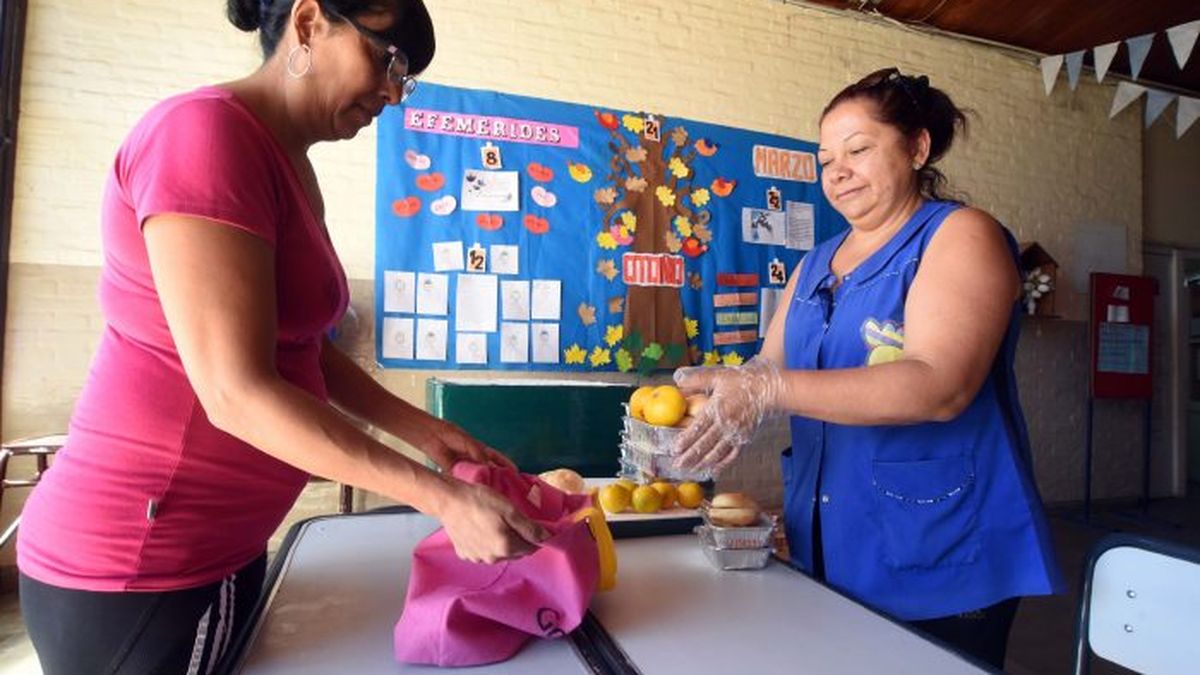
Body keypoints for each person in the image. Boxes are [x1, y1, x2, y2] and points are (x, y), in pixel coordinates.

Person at [16, 1, 548, 672]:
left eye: (403, 78)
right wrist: (438, 495)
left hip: (221, 545)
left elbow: (300, 345)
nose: (390, 92)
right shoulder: (202, 135)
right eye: (387, 60)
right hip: (139, 563)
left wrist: (422, 429)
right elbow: (234, 391)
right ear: (307, 23)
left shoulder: (288, 164)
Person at [673, 68, 1064, 668]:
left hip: (942, 539)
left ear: (917, 147)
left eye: (859, 150)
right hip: (827, 534)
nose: (839, 172)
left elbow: (940, 385)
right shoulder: (816, 262)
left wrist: (769, 390)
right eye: (827, 159)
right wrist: (723, 399)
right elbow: (769, 365)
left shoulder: (959, 236)